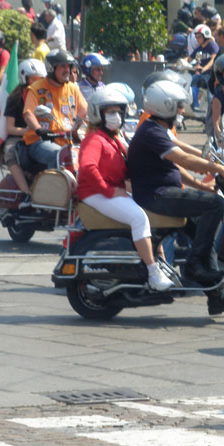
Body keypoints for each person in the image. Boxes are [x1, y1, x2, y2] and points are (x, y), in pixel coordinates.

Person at [127, 79, 224, 315]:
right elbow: (183, 159)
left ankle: (216, 297)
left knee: (202, 236)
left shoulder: (158, 129)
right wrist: (219, 170)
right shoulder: (151, 131)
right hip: (157, 197)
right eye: (179, 107)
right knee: (215, 204)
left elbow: (185, 150)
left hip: (164, 193)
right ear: (166, 107)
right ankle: (194, 266)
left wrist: (215, 158)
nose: (182, 111)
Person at [78, 87, 174, 292]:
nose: (116, 116)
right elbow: (88, 168)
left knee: (153, 215)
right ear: (98, 114)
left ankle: (161, 265)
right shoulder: (94, 139)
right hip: (95, 193)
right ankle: (153, 273)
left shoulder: (113, 139)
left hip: (112, 191)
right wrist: (108, 191)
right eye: (110, 112)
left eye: (119, 112)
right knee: (138, 218)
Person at [22, 49, 87, 170]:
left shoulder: (73, 88)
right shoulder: (36, 88)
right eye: (63, 66)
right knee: (58, 155)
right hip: (40, 141)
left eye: (69, 66)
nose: (67, 70)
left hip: (67, 141)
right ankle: (55, 187)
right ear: (51, 68)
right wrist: (39, 129)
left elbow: (86, 114)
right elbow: (28, 113)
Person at [2, 58, 47, 207]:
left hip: (41, 136)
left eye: (39, 79)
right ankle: (27, 193)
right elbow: (10, 128)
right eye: (32, 79)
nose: (36, 82)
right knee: (10, 153)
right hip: (18, 138)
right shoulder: (14, 99)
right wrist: (29, 130)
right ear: (23, 78)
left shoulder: (45, 97)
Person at [186, 24, 219, 111]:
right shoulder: (199, 48)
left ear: (206, 35)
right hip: (201, 74)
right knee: (190, 82)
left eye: (199, 37)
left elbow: (213, 60)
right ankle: (195, 107)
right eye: (196, 37)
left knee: (210, 94)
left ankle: (211, 112)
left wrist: (204, 68)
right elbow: (189, 58)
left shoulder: (212, 46)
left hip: (210, 74)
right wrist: (179, 63)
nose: (197, 39)